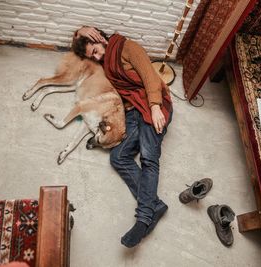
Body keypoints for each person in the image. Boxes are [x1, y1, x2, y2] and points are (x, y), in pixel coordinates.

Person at [72, 26, 173, 248]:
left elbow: (150, 77)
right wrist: (81, 30)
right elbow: (77, 44)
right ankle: (155, 205)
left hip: (152, 104)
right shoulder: (105, 63)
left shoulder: (128, 47)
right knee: (118, 157)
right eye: (93, 56)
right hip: (133, 111)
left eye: (97, 50)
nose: (98, 57)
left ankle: (144, 217)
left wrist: (155, 107)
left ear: (102, 39)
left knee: (149, 158)